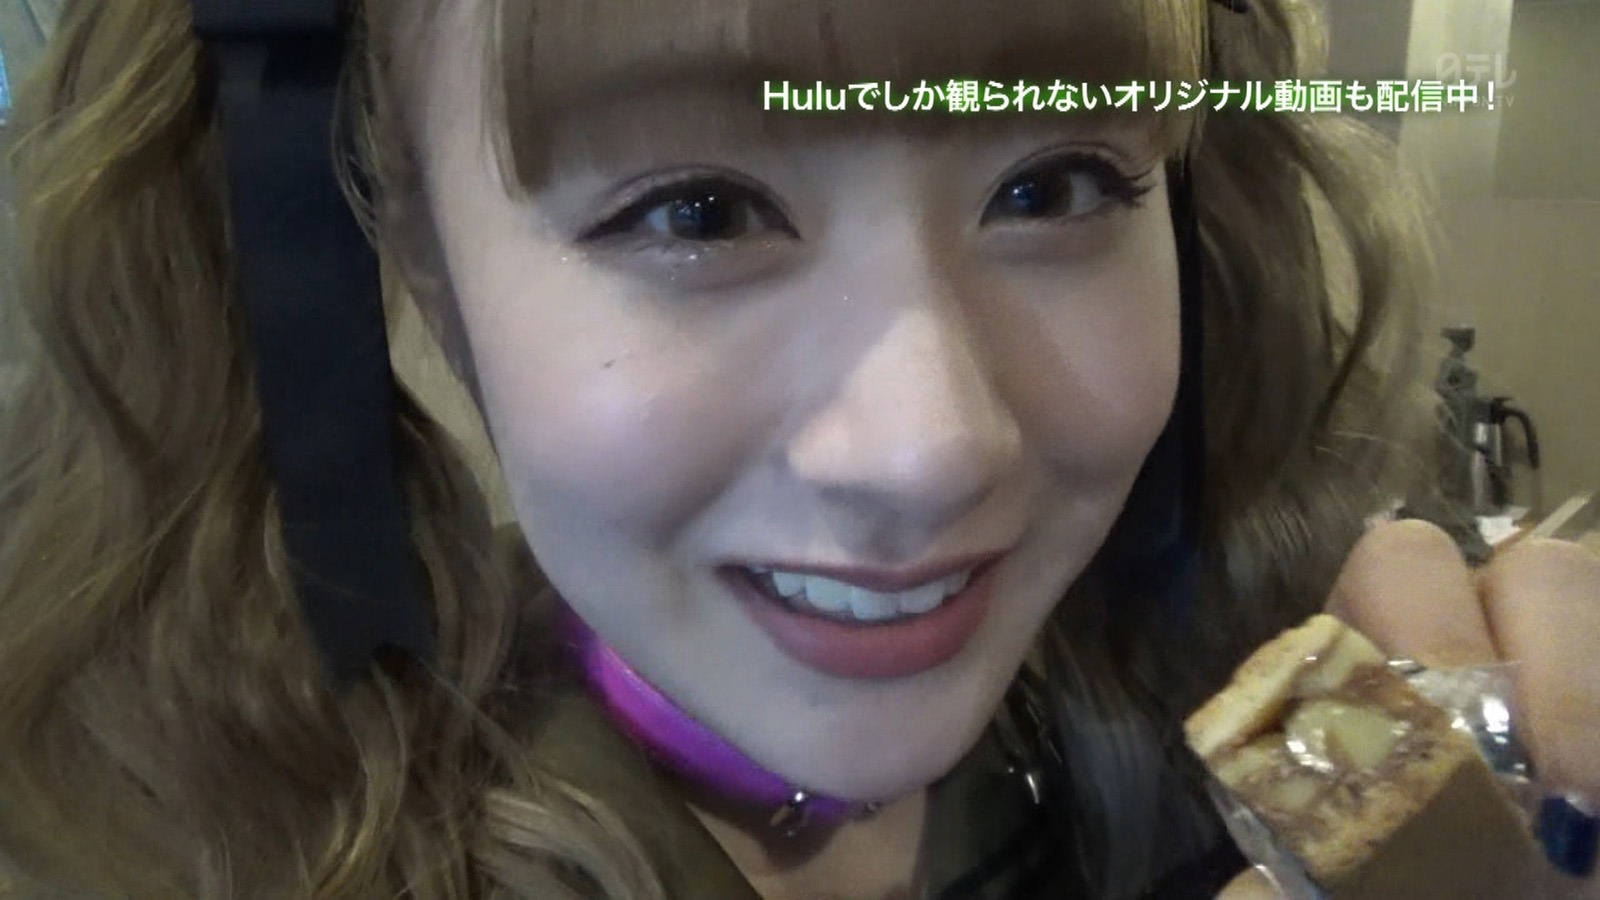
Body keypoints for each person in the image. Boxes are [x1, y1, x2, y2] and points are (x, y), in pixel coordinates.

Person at [0, 1, 1595, 898]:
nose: (932, 449)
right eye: (695, 211)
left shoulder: (1248, 716)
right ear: (410, 265)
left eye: (1051, 185)